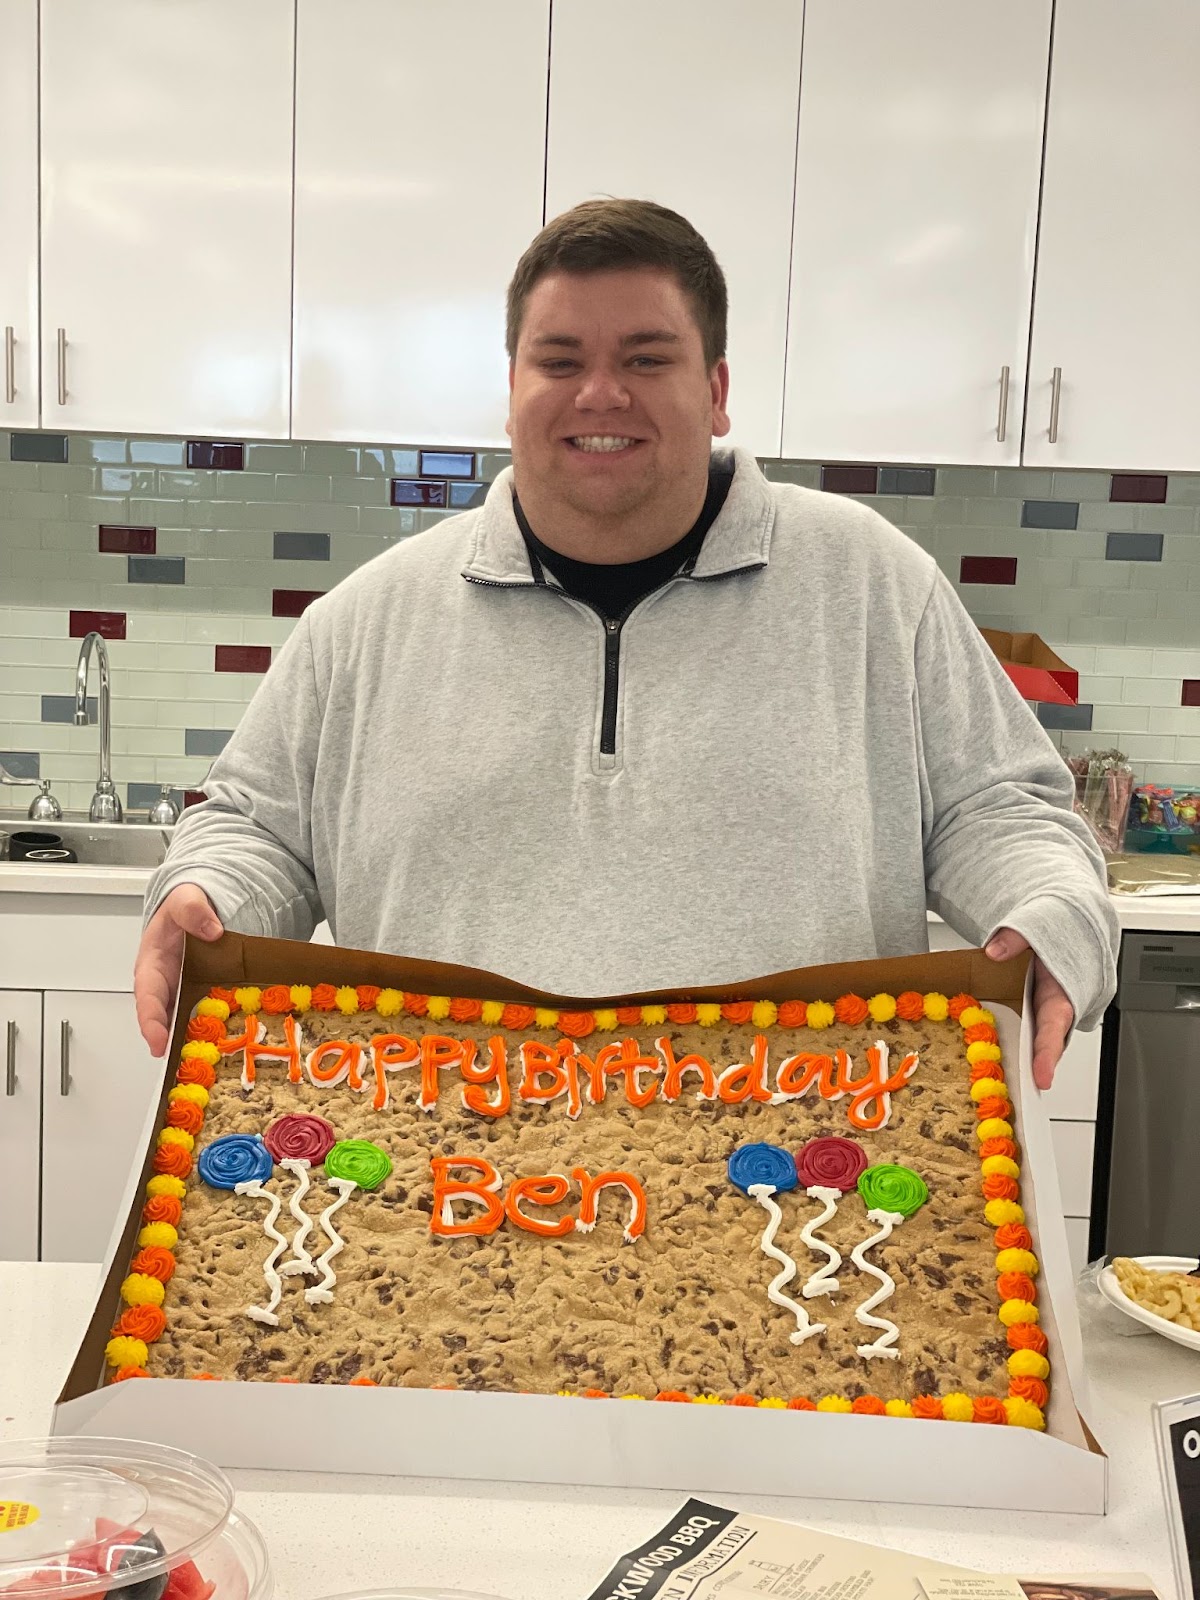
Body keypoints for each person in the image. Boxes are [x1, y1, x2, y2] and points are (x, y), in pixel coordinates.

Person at [135, 198, 1118, 1087]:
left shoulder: (871, 584)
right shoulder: (364, 621)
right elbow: (256, 827)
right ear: (512, 385)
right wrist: (206, 893)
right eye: (560, 361)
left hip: (801, 1202)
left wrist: (1049, 912)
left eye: (647, 359)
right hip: (446, 1202)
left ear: (718, 387)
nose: (600, 393)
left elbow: (1000, 809)